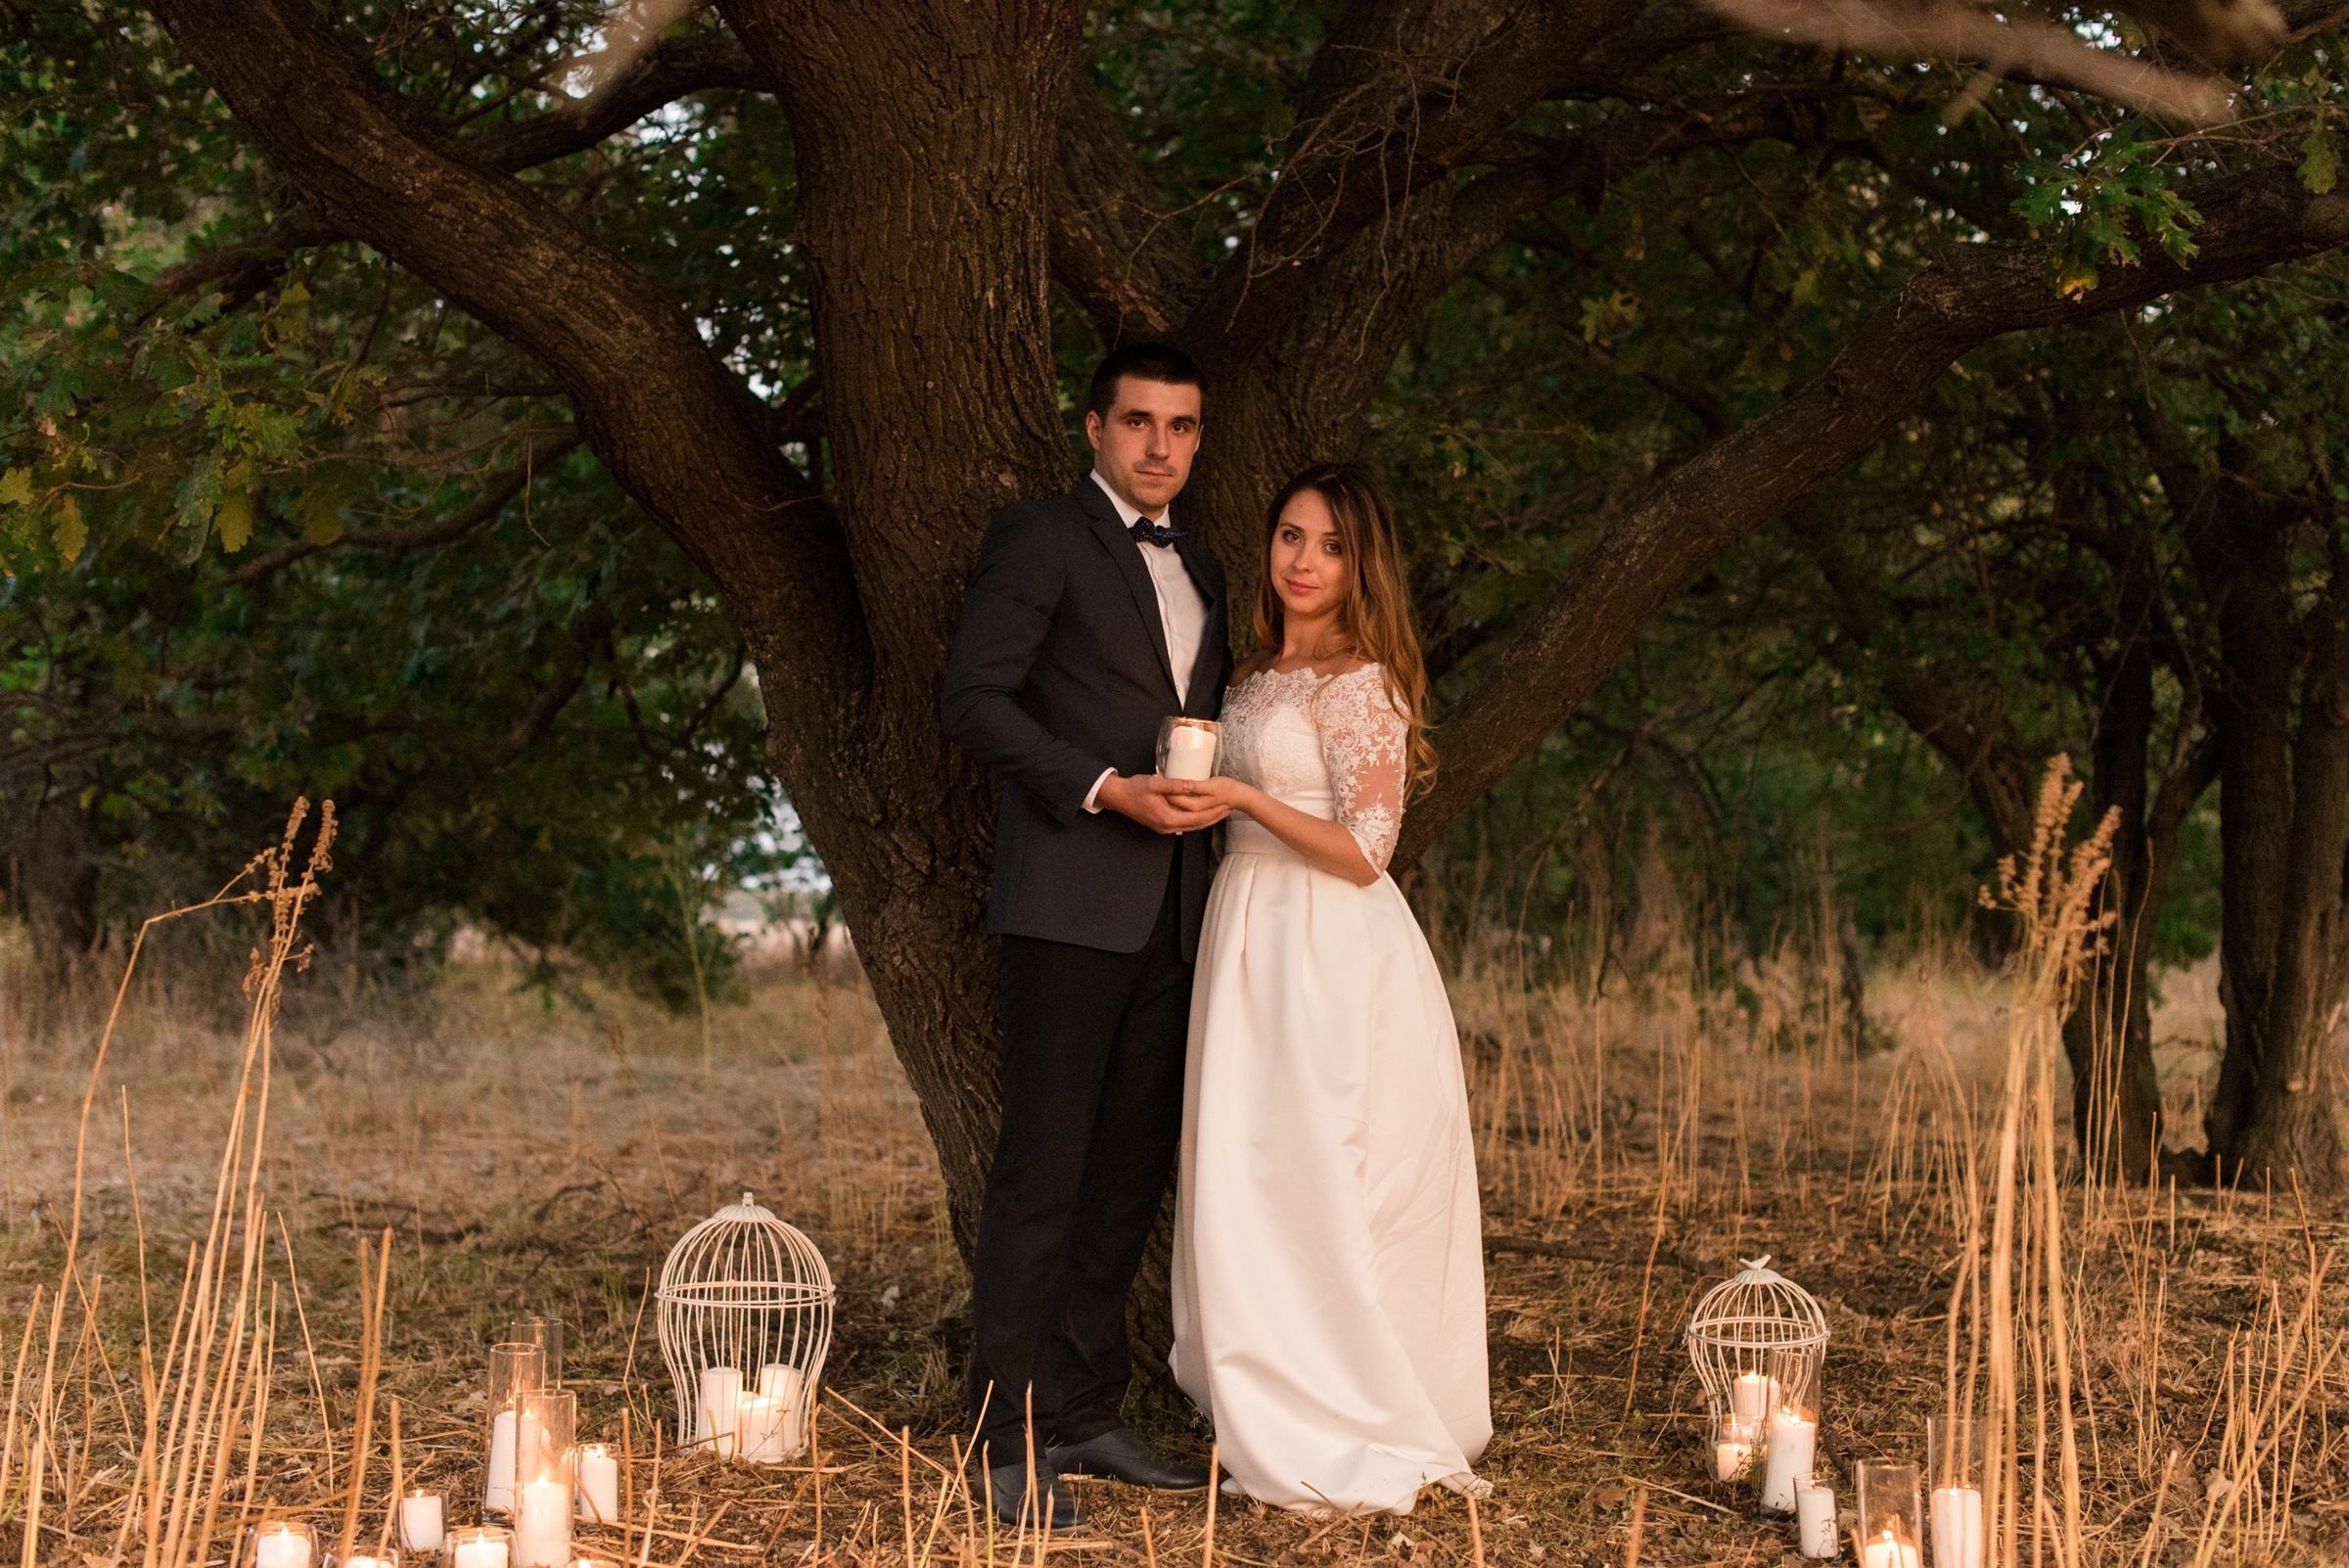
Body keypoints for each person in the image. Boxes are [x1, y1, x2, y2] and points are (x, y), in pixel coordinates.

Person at [940, 344, 1231, 1528]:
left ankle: (1084, 1409)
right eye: (1140, 423)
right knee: (1043, 1176)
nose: (1161, 445)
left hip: (1180, 911)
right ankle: (1000, 1434)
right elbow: (973, 700)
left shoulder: (1206, 559)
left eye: (1183, 426)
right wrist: (1106, 786)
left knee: (1123, 1180)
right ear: (1096, 430)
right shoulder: (1043, 537)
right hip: (1068, 901)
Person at [1164, 463, 1492, 1516]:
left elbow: (1367, 850)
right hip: (1244, 930)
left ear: (1364, 567)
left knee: (1313, 1167)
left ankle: (1342, 1406)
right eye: (1292, 538)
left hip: (1324, 946)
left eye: (1333, 547)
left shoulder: (1362, 682)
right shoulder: (1253, 673)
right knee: (1242, 1168)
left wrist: (1241, 798)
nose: (1305, 562)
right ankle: (1259, 1389)